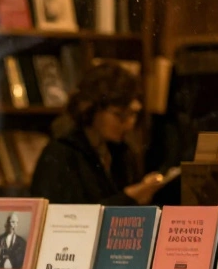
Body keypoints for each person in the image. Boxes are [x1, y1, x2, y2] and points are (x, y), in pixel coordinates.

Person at [31, 63, 173, 205]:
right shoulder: (61, 153)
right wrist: (130, 196)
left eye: (133, 114)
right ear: (91, 109)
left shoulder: (120, 151)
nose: (129, 124)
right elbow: (67, 217)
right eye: (119, 115)